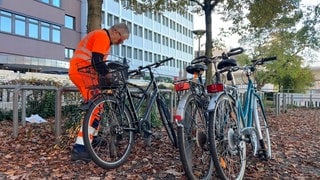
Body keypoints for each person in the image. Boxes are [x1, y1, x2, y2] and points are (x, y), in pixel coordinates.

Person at [68, 23, 130, 162]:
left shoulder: (101, 37)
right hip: (83, 72)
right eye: (121, 39)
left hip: (85, 72)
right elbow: (97, 61)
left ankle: (92, 138)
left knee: (97, 106)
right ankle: (81, 148)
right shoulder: (103, 36)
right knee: (95, 108)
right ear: (115, 32)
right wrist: (108, 75)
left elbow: (97, 62)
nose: (121, 43)